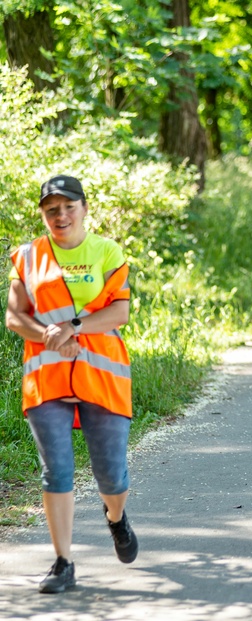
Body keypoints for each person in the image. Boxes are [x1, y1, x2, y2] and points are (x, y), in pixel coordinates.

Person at [5, 175, 138, 593]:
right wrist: (45, 333)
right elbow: (15, 316)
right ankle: (63, 562)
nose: (60, 215)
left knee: (110, 476)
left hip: (103, 375)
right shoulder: (28, 257)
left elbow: (119, 312)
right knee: (56, 472)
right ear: (43, 215)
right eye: (51, 209)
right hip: (46, 376)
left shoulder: (106, 251)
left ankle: (115, 518)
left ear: (83, 207)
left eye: (68, 206)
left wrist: (72, 326)